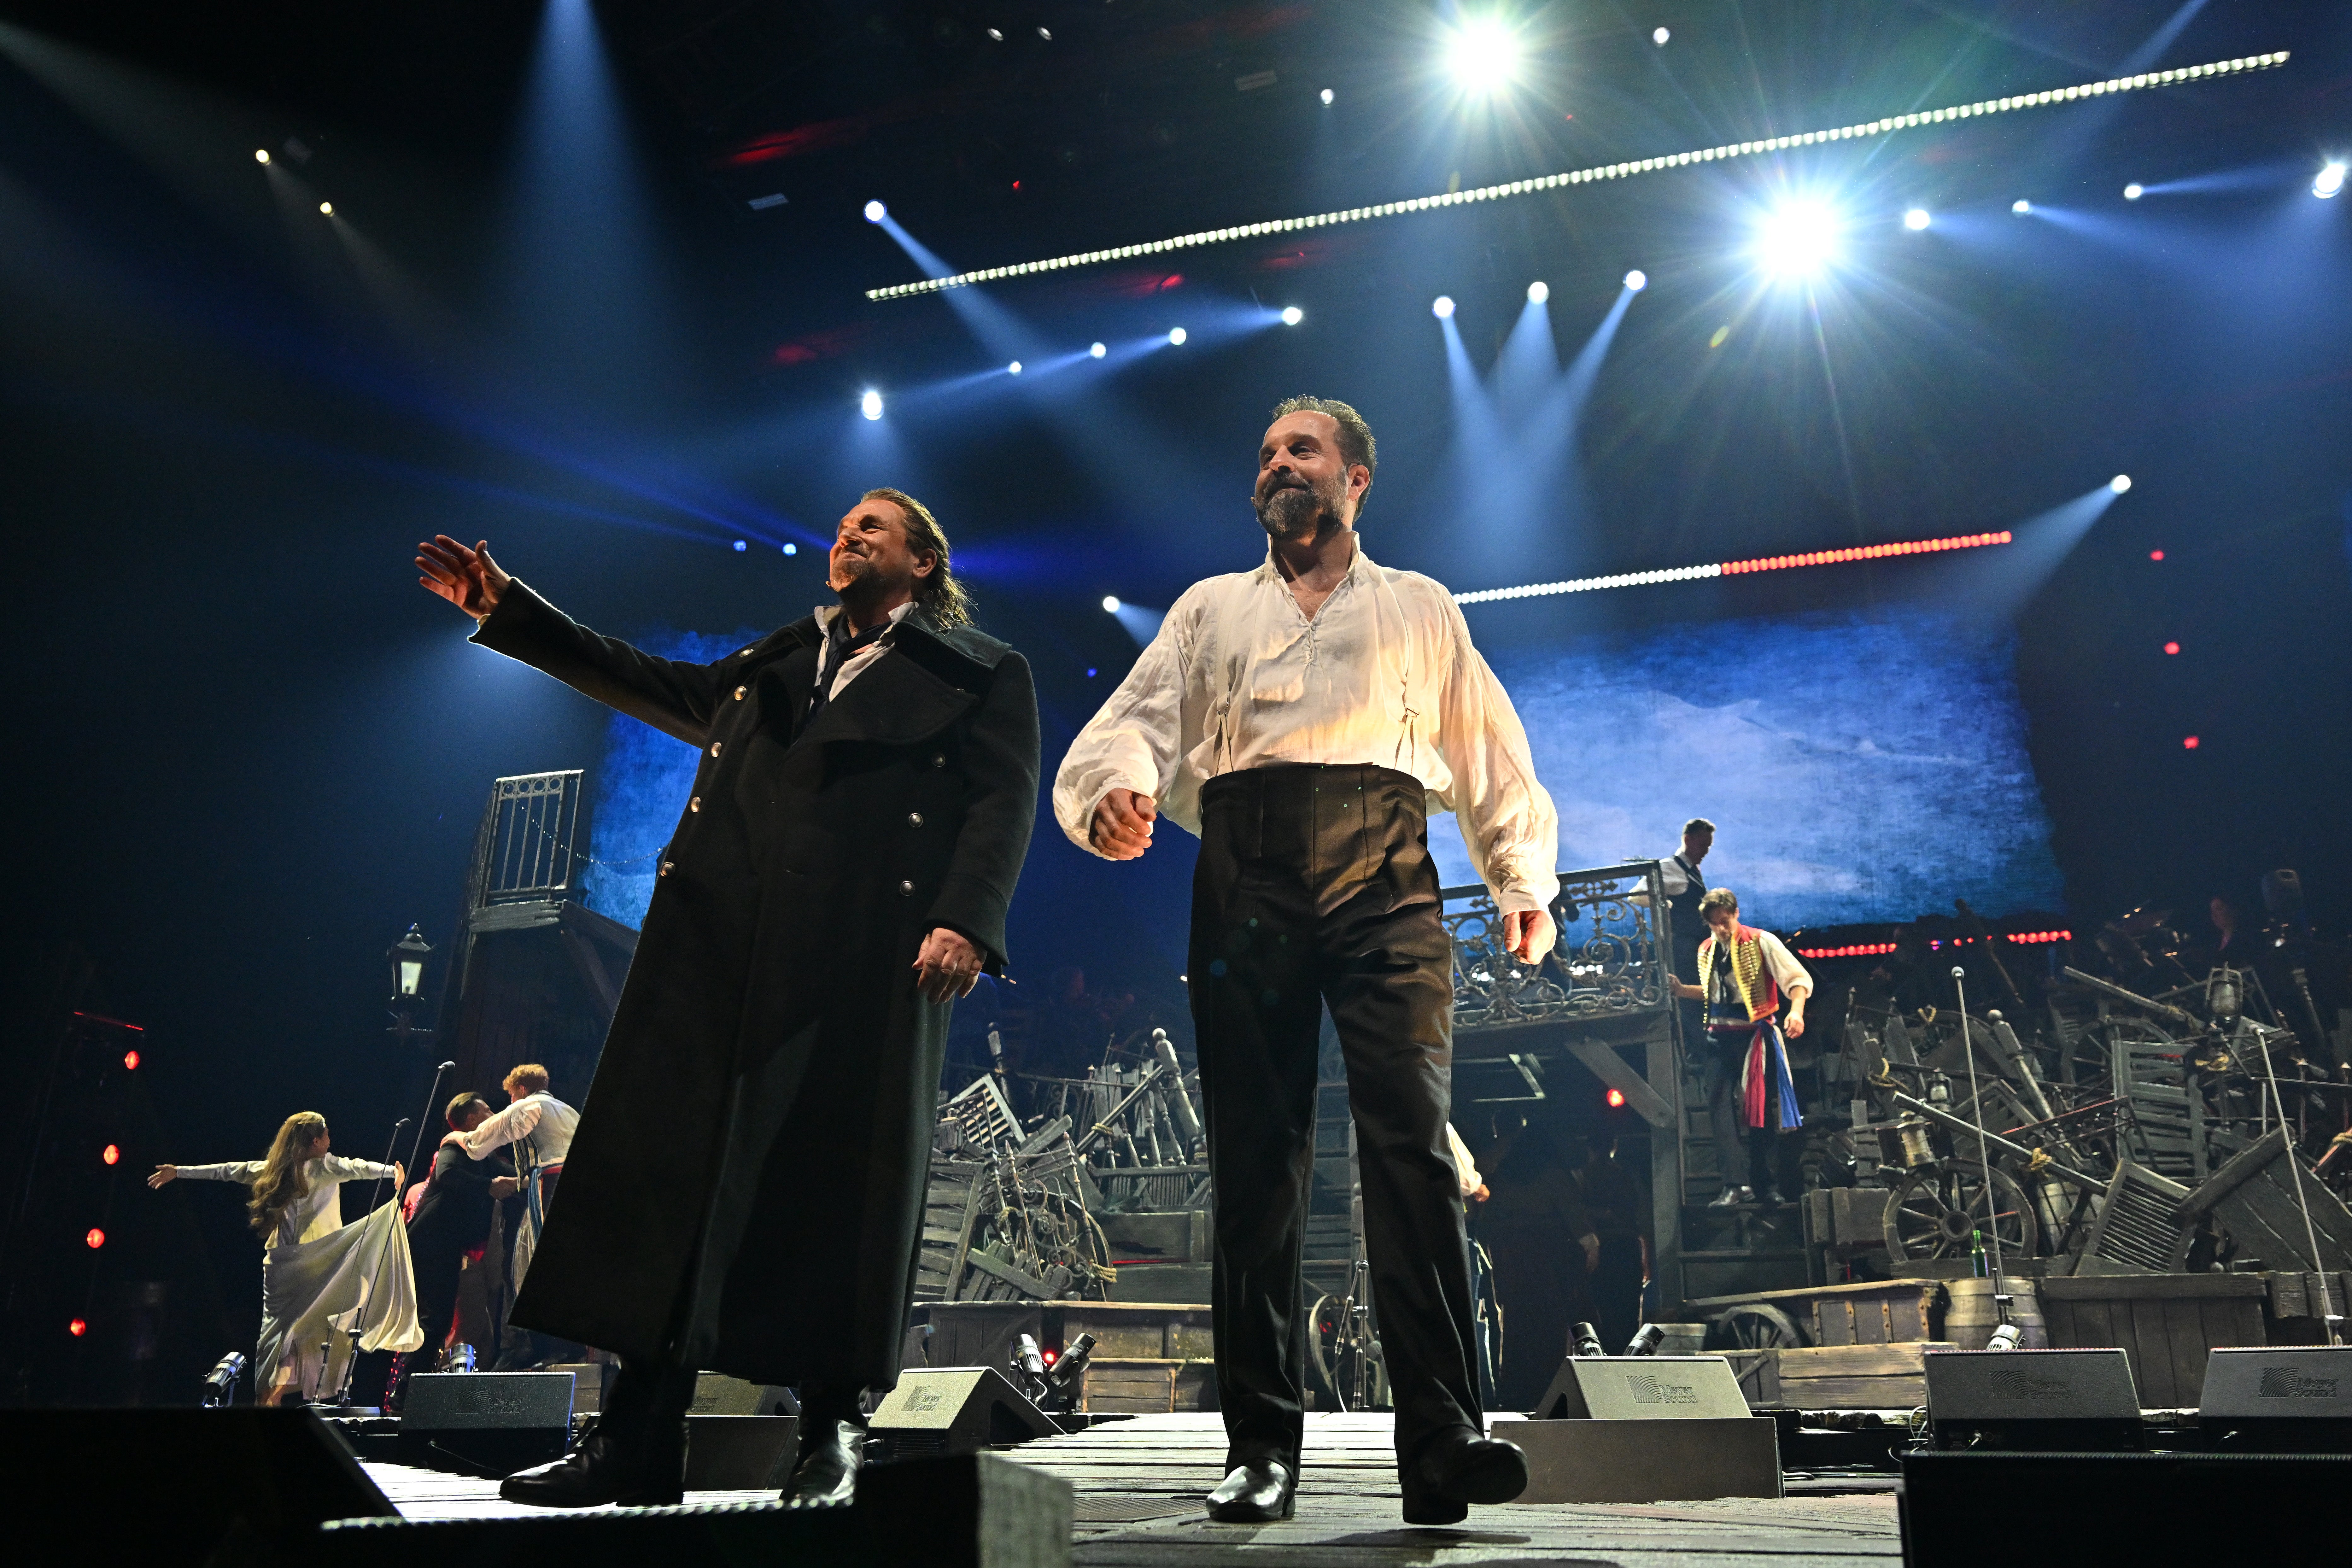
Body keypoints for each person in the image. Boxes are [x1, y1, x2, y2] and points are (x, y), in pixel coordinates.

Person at [414, 486, 1039, 1511]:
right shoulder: (788, 658)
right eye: (842, 526)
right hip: (719, 954)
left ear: (924, 563)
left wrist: (967, 917)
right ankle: (635, 1442)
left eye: (873, 526)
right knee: (673, 1191)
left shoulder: (976, 672)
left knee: (838, 1190)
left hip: (862, 960)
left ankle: (829, 1433)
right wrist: (513, 610)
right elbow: (659, 684)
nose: (847, 534)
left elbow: (1005, 794)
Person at [1054, 396, 1557, 1524]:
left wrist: (1520, 875)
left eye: (1305, 450)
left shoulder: (1418, 606)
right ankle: (1260, 1449)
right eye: (1269, 450)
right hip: (1249, 876)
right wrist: (1118, 788)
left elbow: (1486, 745)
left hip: (1386, 869)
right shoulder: (1210, 609)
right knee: (1255, 1161)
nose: (1282, 464)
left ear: (1356, 480)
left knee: (1414, 1150)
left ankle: (1442, 1440)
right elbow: (1133, 717)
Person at [149, 1112, 419, 1404]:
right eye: (327, 1135)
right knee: (317, 1328)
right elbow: (358, 1168)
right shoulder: (324, 1167)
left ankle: (268, 1400)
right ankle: (283, 1398)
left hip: (283, 1267)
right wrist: (393, 1173)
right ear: (316, 1141)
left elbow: (227, 1171)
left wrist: (179, 1171)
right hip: (318, 1264)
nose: (331, 1141)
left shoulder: (273, 1170)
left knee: (278, 1340)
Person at [1670, 888, 1813, 1207]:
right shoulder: (1706, 949)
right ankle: (1734, 1184)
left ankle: (1765, 1185)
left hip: (1755, 1038)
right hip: (1719, 1037)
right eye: (1714, 923)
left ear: (1736, 914)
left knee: (1760, 1112)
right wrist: (1681, 990)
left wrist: (1796, 1012)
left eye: (1725, 921)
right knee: (1719, 1109)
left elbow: (1797, 980)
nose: (1721, 929)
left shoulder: (1762, 941)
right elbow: (1713, 994)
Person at [450, 1064, 580, 1369]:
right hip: (572, 1188)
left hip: (549, 1189)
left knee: (530, 1267)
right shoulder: (567, 1110)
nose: (509, 1101)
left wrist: (456, 1140)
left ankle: (543, 1345)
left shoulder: (527, 1106)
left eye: (510, 1094)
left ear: (520, 1089)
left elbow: (478, 1146)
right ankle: (564, 1346)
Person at [1475, 1119, 1598, 1411]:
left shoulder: (1502, 1178)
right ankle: (1551, 1393)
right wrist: (1589, 1245)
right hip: (1547, 1266)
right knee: (1549, 1329)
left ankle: (1515, 1394)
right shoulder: (1553, 1175)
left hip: (1511, 1265)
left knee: (1515, 1328)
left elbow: (1485, 1227)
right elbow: (1576, 1221)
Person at [403, 1093, 516, 1381]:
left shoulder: (482, 1156)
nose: (493, 1114)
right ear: (472, 1119)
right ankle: (407, 1391)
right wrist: (489, 1186)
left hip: (446, 1246)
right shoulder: (457, 1145)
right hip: (432, 1244)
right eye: (487, 1109)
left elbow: (514, 1174)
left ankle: (411, 1389)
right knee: (436, 1319)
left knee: (439, 1321)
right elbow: (448, 1173)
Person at [1656, 819, 1714, 1065]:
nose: (1706, 852)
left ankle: (1700, 1046)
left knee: (1698, 995)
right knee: (1690, 997)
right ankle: (1698, 1048)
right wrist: (1664, 905)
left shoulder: (1691, 870)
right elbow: (1639, 894)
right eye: (1703, 845)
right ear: (1688, 840)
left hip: (1696, 945)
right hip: (1684, 946)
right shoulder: (1670, 867)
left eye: (1709, 847)